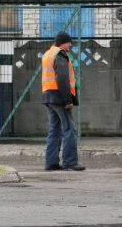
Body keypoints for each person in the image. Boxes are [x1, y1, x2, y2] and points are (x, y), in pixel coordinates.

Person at [41, 31, 84, 171]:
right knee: (69, 129)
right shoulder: (60, 54)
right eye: (69, 42)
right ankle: (70, 162)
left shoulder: (48, 54)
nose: (70, 45)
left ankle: (51, 162)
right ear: (63, 43)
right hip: (59, 97)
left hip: (48, 96)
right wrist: (67, 100)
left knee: (54, 130)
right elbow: (62, 78)